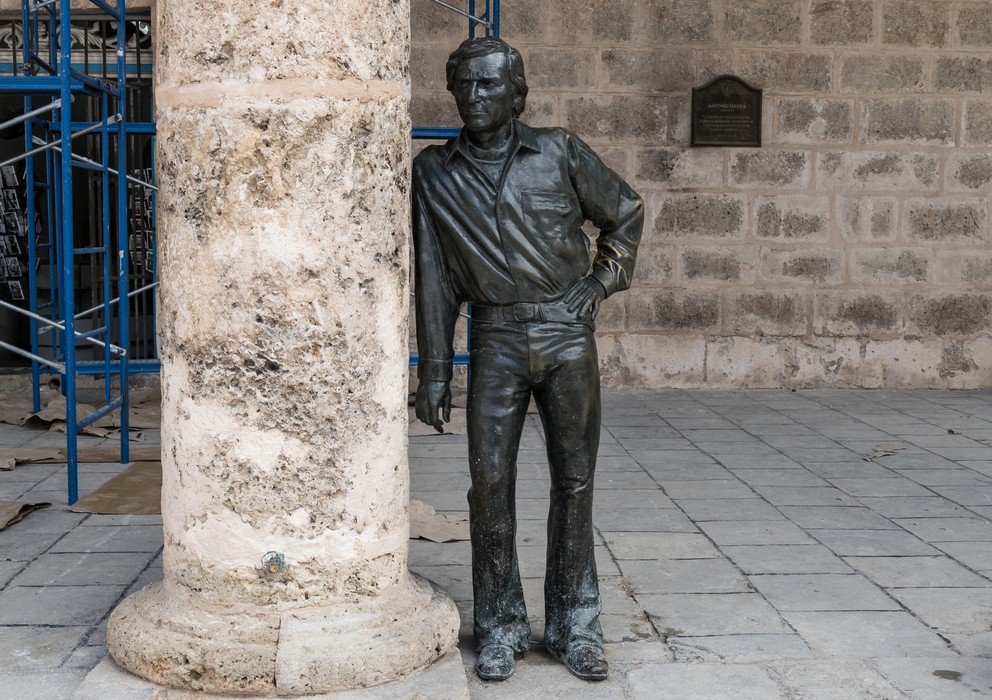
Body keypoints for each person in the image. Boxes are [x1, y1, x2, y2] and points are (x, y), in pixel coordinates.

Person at [412, 36, 643, 682]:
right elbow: (433, 278)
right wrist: (433, 372)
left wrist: (597, 285)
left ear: (517, 94)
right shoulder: (434, 173)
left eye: (489, 86)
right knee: (489, 484)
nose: (474, 97)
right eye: (464, 86)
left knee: (574, 481)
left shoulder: (560, 151)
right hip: (497, 340)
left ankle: (575, 623)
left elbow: (625, 213)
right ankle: (502, 626)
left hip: (567, 336)